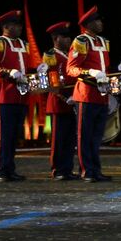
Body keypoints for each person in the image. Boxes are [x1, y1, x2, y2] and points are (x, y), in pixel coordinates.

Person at [67, 6, 113, 183]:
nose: (101, 23)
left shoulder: (103, 41)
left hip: (101, 95)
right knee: (85, 136)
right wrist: (90, 72)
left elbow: (105, 68)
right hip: (86, 94)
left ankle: (95, 170)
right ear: (88, 24)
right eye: (97, 21)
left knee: (96, 136)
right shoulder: (81, 41)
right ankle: (86, 170)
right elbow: (71, 68)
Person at [0, 10, 30, 182]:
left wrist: (37, 70)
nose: (19, 28)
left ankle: (10, 169)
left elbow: (26, 68)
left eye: (20, 25)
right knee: (4, 135)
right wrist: (7, 72)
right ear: (6, 27)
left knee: (15, 135)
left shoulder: (24, 44)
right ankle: (0, 169)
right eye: (16, 25)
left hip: (21, 97)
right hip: (4, 96)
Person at [44, 21, 80, 180]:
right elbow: (51, 83)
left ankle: (67, 169)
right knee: (59, 139)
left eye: (69, 37)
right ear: (56, 38)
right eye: (64, 37)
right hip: (59, 102)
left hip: (73, 102)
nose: (68, 40)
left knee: (70, 139)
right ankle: (58, 169)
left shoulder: (70, 55)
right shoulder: (51, 55)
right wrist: (65, 98)